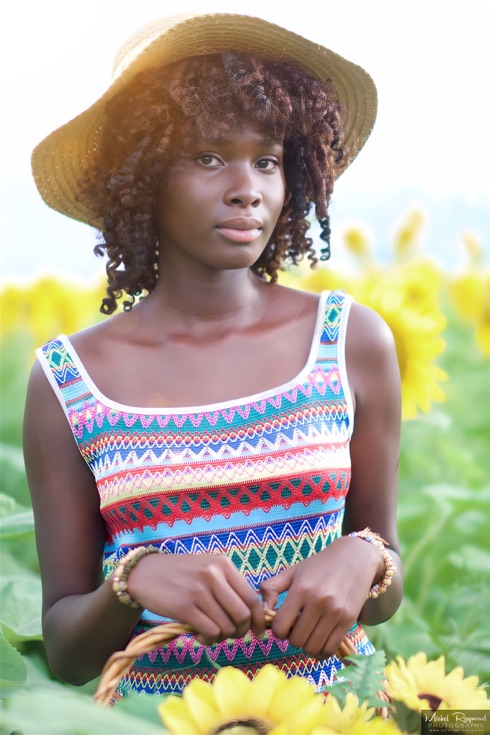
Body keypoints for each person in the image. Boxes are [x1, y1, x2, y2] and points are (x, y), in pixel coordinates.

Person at [24, 11, 403, 699]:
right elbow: (66, 651)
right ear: (139, 177)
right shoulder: (67, 383)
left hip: (334, 715)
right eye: (206, 157)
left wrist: (365, 556)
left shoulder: (352, 342)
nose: (246, 187)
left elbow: (386, 581)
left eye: (265, 160)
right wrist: (131, 577)